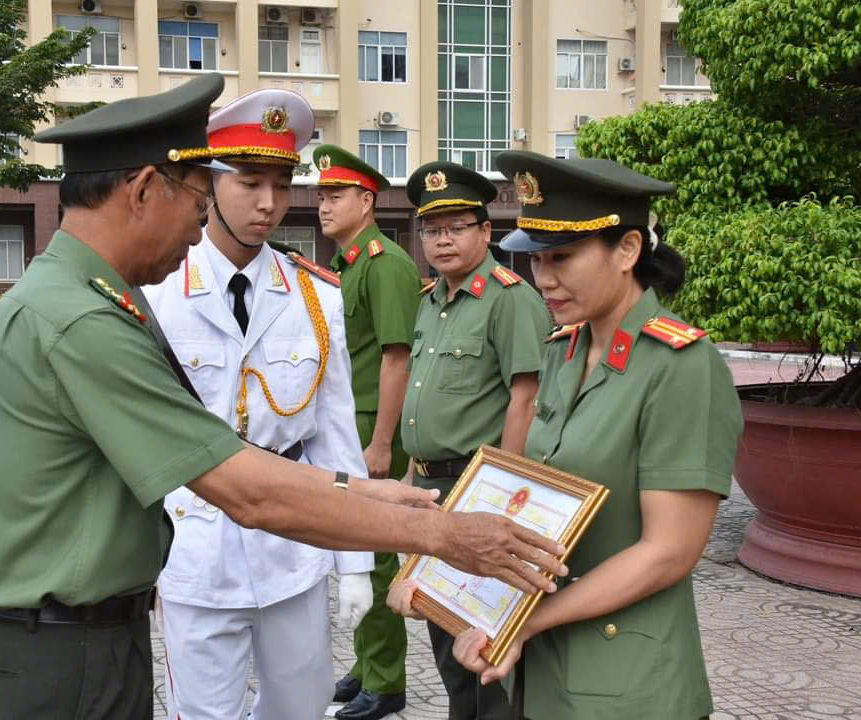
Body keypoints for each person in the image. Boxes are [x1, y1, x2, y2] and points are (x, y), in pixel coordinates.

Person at [0, 73, 569, 720]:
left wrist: (362, 496)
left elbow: (309, 440)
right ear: (141, 189)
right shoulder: (83, 319)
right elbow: (241, 486)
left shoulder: (89, 299)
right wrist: (442, 534)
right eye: (198, 201)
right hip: (65, 651)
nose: (198, 229)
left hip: (114, 629)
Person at [394, 151, 744, 720]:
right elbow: (529, 496)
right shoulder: (565, 350)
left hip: (627, 682)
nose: (545, 279)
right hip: (544, 671)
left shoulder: (681, 366)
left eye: (562, 257)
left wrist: (523, 624)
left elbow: (668, 553)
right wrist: (439, 579)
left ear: (627, 250)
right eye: (536, 259)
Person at [142, 88, 374, 720]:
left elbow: (334, 440)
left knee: (300, 710)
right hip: (192, 541)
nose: (269, 203)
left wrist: (354, 563)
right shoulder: (156, 295)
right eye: (249, 182)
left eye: (281, 182)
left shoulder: (316, 298)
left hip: (293, 547)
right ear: (210, 184)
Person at [399, 161, 552, 720]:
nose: (442, 239)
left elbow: (527, 399)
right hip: (432, 488)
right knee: (448, 642)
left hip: (478, 490)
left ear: (486, 232)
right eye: (431, 229)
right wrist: (411, 480)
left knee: (485, 647)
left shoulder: (509, 299)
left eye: (457, 227)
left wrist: (504, 494)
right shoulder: (430, 300)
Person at [313, 144, 422, 720]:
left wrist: (381, 443)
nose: (323, 205)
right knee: (351, 555)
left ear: (367, 200)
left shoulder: (385, 265)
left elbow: (395, 359)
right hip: (345, 428)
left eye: (335, 196)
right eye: (322, 195)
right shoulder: (346, 265)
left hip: (369, 430)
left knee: (376, 559)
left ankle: (386, 681)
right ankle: (364, 667)